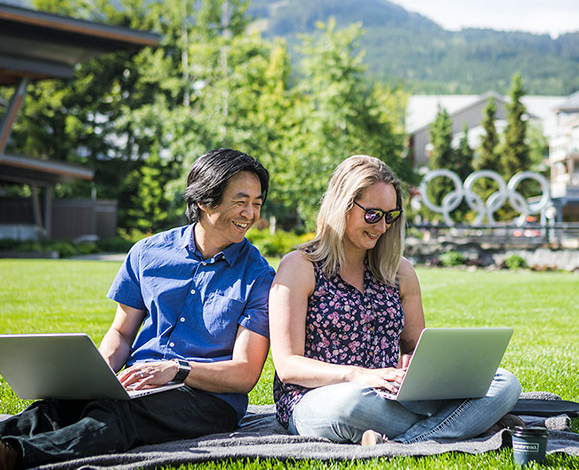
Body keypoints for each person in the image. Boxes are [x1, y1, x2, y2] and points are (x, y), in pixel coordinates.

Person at [0, 148, 275, 470]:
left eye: (256, 203)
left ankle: (15, 457)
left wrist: (176, 369)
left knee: (115, 416)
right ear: (203, 200)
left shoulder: (260, 276)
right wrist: (96, 375)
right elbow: (121, 331)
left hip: (208, 398)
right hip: (138, 382)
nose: (250, 213)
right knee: (53, 409)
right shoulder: (148, 253)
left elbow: (244, 374)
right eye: (241, 201)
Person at [269, 155, 521, 445]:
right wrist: (359, 376)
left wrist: (423, 368)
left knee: (505, 383)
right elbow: (288, 366)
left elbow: (416, 347)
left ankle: (406, 440)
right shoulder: (300, 266)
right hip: (320, 398)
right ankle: (462, 424)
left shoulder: (399, 271)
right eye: (373, 214)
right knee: (350, 404)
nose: (382, 226)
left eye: (390, 216)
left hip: (392, 397)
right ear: (343, 206)